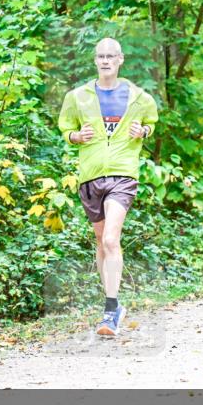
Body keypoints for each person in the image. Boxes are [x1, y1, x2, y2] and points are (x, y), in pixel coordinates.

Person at [58, 38, 159, 336]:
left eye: (110, 56)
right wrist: (75, 137)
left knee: (112, 240)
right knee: (101, 241)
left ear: (120, 60)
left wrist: (144, 130)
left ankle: (110, 311)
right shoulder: (77, 96)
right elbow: (66, 127)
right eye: (100, 56)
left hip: (123, 175)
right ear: (95, 60)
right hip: (90, 175)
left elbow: (151, 122)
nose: (105, 61)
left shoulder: (139, 97)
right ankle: (113, 306)